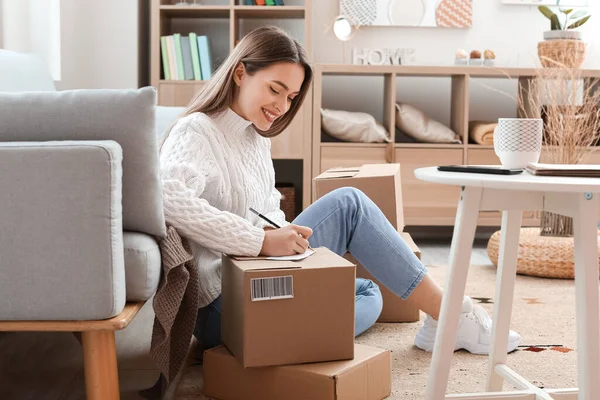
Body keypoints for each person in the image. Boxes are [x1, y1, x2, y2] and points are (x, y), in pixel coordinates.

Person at [159, 26, 520, 360]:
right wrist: (259, 241)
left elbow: (266, 212)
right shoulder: (196, 131)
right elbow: (169, 201)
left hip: (259, 275)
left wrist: (284, 240)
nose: (282, 107)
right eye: (274, 89)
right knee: (350, 204)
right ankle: (451, 314)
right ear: (240, 73)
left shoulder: (256, 139)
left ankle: (288, 333)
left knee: (368, 292)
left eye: (291, 97)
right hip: (222, 302)